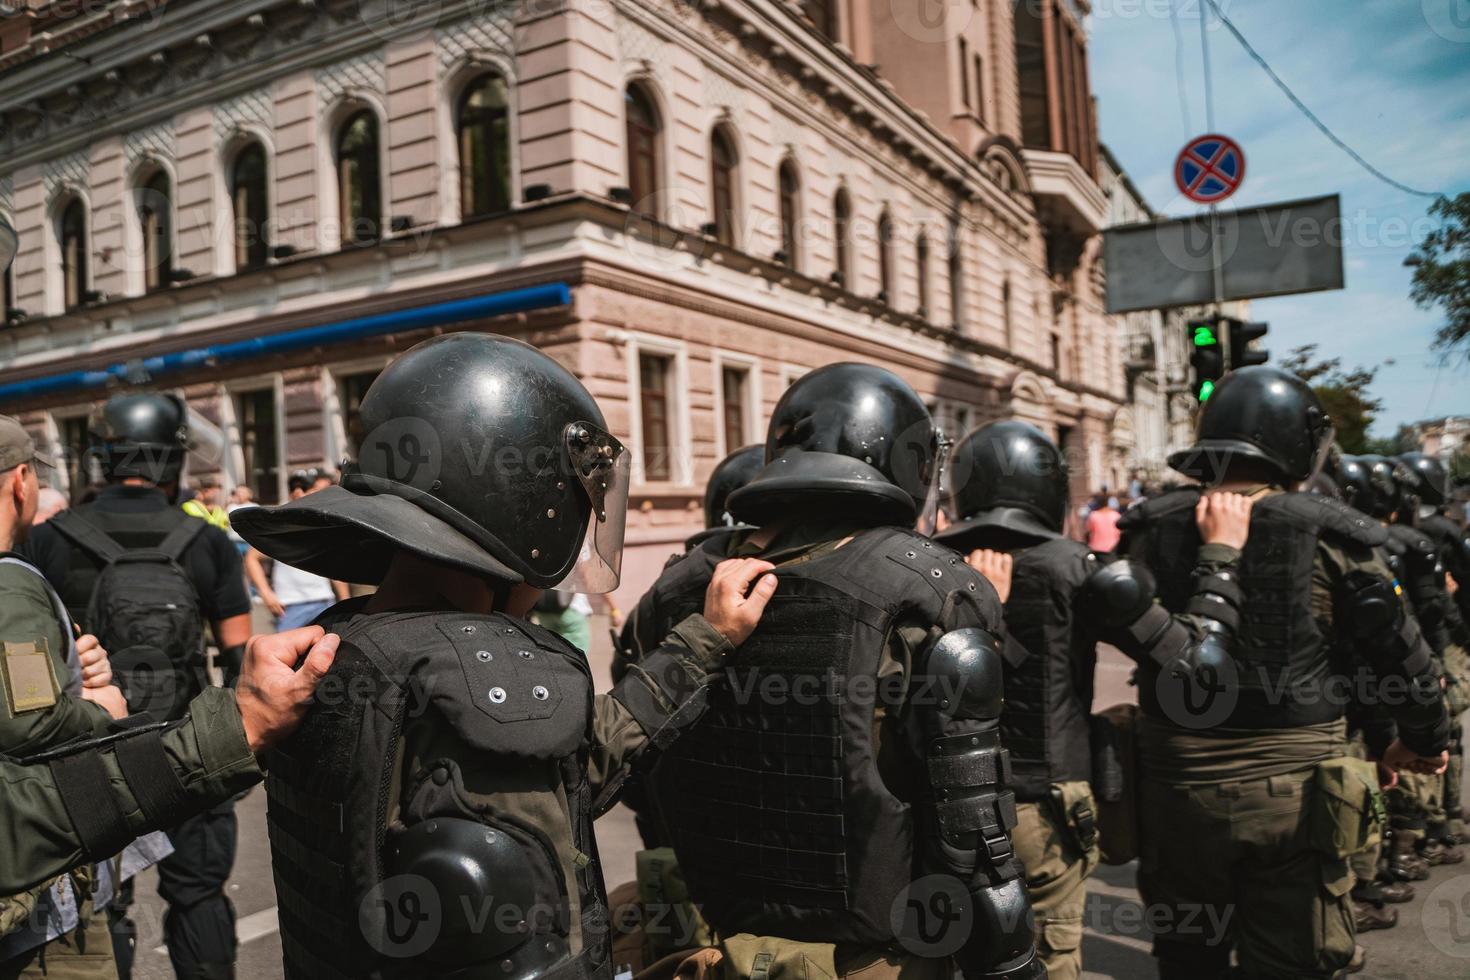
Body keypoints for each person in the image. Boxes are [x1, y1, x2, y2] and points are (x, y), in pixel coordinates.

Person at [230, 332, 778, 980]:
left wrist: (706, 637)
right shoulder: (474, 681)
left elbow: (578, 763)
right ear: (519, 511)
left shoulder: (337, 644)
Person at [623, 363, 1043, 980]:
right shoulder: (930, 589)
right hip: (870, 958)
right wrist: (1012, 967)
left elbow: (640, 774)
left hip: (713, 947)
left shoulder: (677, 588)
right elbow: (973, 833)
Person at [1094, 366, 1450, 980]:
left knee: (1188, 956)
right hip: (1295, 789)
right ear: (1301, 441)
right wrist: (1420, 739)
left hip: (1173, 785)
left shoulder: (1148, 529)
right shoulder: (1332, 533)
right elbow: (1398, 653)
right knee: (1293, 958)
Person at [21, 394, 253, 980]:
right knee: (199, 895)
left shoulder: (51, 540)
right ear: (173, 461)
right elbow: (241, 656)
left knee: (104, 906)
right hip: (190, 748)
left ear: (103, 457)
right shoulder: (207, 542)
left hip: (91, 756)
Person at [933, 419, 1101, 980]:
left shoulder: (924, 564)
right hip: (1042, 805)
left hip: (943, 804)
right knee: (1050, 954)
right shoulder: (1072, 564)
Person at [0, 626, 339, 896]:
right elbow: (20, 815)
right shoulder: (19, 577)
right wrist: (96, 711)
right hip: (68, 872)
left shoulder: (39, 554)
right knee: (198, 893)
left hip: (84, 861)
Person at [0, 414, 133, 978]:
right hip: (35, 887)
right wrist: (102, 708)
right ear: (21, 480)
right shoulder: (10, 582)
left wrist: (64, 668)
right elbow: (29, 720)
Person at [1398, 451, 1470, 843]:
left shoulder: (1380, 532)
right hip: (1437, 640)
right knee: (1445, 728)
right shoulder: (1444, 530)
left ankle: (1420, 822)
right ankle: (1445, 816)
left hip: (1399, 643)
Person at [242, 470, 350, 630]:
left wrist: (345, 602)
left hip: (324, 601)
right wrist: (266, 594)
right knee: (287, 653)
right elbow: (252, 557)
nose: (326, 495)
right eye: (319, 490)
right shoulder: (280, 524)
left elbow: (333, 564)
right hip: (290, 606)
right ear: (299, 492)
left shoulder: (323, 521)